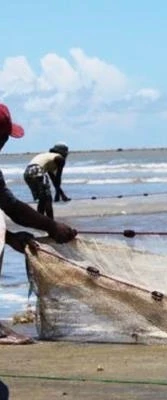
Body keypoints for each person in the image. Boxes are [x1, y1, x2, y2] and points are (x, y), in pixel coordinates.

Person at [0, 103, 77, 345]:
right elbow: (12, 207)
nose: (5, 142)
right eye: (4, 136)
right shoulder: (57, 158)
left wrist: (11, 238)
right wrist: (53, 227)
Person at [23, 143, 70, 219]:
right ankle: (52, 223)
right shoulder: (60, 159)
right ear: (62, 152)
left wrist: (61, 194)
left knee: (42, 199)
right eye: (66, 153)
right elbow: (58, 178)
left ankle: (40, 222)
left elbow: (53, 179)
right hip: (37, 170)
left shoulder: (48, 156)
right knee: (48, 199)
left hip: (27, 173)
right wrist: (57, 194)